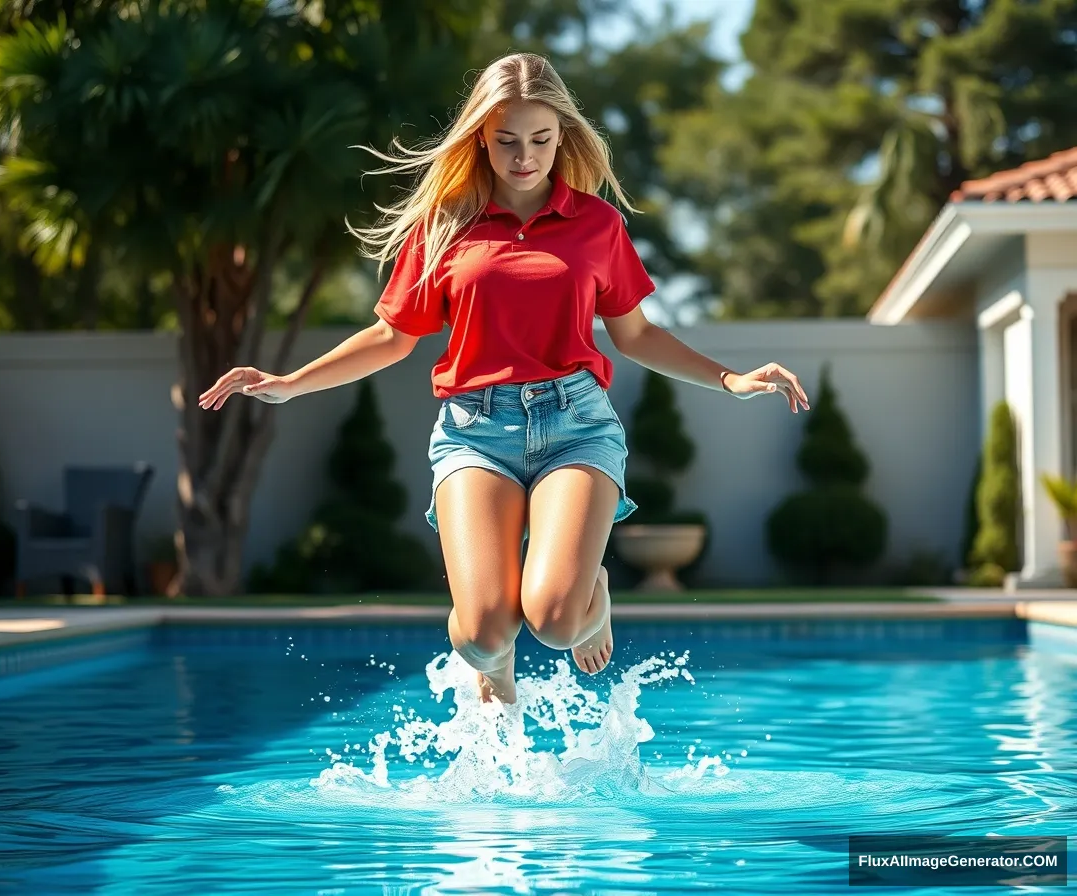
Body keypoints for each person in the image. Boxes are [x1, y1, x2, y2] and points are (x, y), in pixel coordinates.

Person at [198, 52, 809, 706]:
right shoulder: (446, 224)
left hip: (576, 425)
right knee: (485, 636)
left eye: (541, 140)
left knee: (554, 623)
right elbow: (391, 336)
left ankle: (589, 596)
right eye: (508, 141)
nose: (525, 156)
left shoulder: (596, 225)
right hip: (474, 431)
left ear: (563, 137)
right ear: (481, 138)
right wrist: (291, 383)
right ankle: (498, 659)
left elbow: (637, 335)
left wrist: (732, 380)